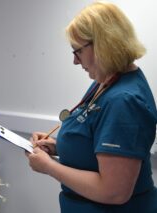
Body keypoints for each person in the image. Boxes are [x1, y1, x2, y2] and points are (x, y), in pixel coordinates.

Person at [26, 1, 157, 213]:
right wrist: (58, 147)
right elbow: (100, 144)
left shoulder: (124, 101)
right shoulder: (106, 81)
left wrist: (49, 166)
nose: (75, 62)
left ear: (102, 44)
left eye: (77, 51)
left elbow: (113, 191)